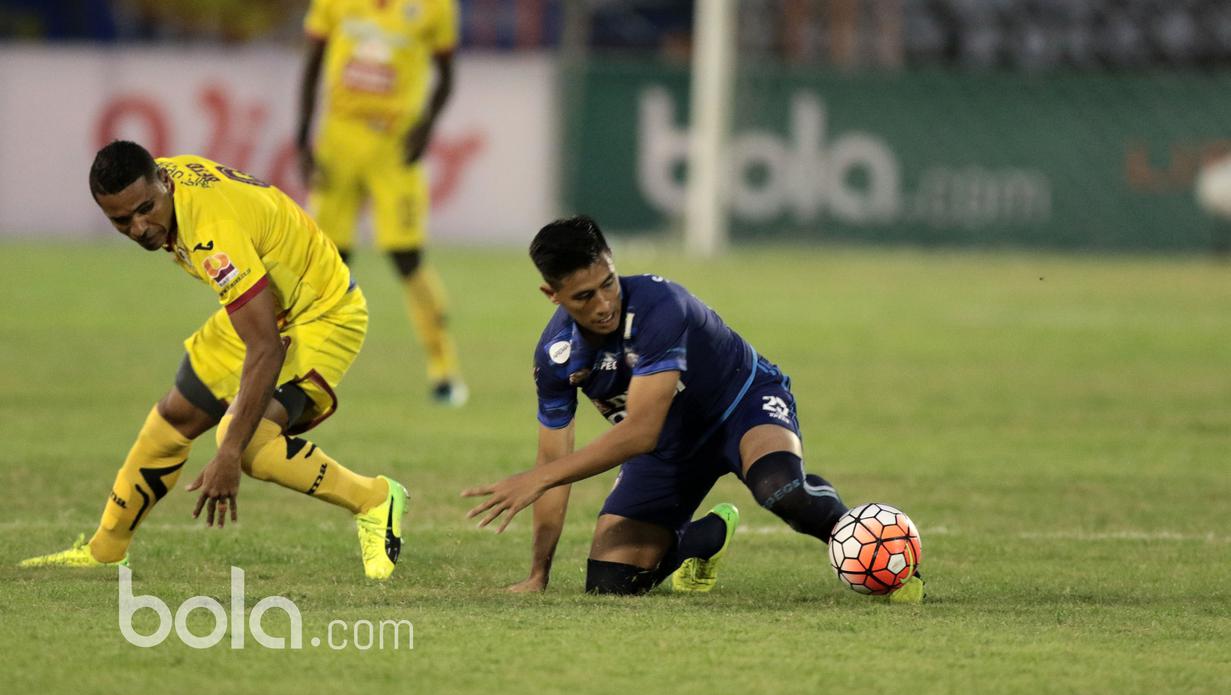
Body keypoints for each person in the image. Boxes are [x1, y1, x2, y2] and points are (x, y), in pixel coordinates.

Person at [462, 216, 924, 602]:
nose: (603, 304)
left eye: (608, 284)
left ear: (613, 265)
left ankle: (879, 552)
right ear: (552, 295)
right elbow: (553, 465)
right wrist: (538, 574)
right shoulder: (556, 359)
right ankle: (700, 541)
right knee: (611, 585)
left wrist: (539, 477)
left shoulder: (662, 307)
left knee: (781, 492)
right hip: (669, 448)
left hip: (741, 406)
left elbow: (637, 432)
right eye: (584, 296)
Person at [19, 140, 409, 580]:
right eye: (121, 220)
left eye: (145, 209)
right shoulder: (159, 181)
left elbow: (265, 348)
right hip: (262, 304)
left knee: (250, 442)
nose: (139, 227)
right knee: (176, 415)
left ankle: (375, 498)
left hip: (320, 314)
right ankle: (106, 549)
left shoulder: (212, 231)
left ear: (163, 183)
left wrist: (227, 452)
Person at [295, 0, 467, 406]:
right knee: (328, 260)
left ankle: (444, 368)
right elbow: (313, 62)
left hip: (395, 144)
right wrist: (303, 139)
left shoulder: (435, 7)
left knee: (406, 255)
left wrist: (426, 126)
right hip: (339, 141)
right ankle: (308, 366)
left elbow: (446, 75)